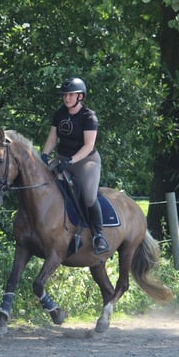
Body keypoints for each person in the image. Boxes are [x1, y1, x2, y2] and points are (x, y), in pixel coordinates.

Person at [40, 77, 109, 254]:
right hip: (62, 158)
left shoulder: (88, 117)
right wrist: (45, 155)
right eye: (65, 95)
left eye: (71, 95)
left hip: (86, 160)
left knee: (88, 196)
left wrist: (70, 161)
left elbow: (88, 146)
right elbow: (53, 138)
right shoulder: (60, 113)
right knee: (42, 184)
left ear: (80, 96)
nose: (67, 98)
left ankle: (98, 235)